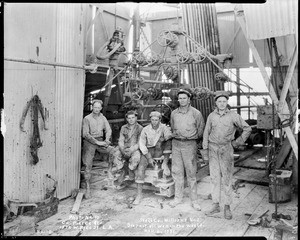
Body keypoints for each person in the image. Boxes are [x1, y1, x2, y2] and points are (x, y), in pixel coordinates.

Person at [202, 91, 251, 220]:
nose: (222, 104)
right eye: (219, 102)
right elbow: (206, 133)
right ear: (216, 103)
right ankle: (216, 204)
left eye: (224, 101)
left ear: (227, 102)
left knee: (227, 179)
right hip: (213, 149)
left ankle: (227, 207)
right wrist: (205, 149)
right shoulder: (211, 116)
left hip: (226, 149)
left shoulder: (233, 116)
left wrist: (238, 142)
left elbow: (247, 128)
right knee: (214, 178)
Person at [169, 89, 205, 211]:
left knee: (191, 173)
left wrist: (192, 139)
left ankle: (194, 200)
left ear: (189, 99)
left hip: (190, 145)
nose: (182, 100)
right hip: (176, 144)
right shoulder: (174, 113)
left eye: (185, 98)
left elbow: (200, 131)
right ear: (178, 100)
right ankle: (178, 198)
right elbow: (173, 127)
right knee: (177, 172)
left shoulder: (196, 113)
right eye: (180, 98)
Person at [133, 111, 172, 205]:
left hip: (160, 149)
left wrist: (163, 138)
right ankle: (139, 195)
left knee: (168, 142)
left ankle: (165, 164)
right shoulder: (146, 129)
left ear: (159, 120)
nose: (154, 122)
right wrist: (148, 157)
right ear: (150, 119)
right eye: (152, 120)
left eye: (156, 120)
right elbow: (141, 143)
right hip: (149, 150)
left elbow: (169, 137)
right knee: (141, 168)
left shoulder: (164, 127)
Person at [82, 99, 115, 198]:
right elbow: (85, 134)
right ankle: (87, 187)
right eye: (95, 107)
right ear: (92, 107)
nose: (96, 109)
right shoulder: (87, 118)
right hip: (90, 142)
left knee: (113, 151)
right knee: (88, 164)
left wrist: (107, 139)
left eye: (98, 107)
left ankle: (109, 171)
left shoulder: (103, 118)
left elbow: (108, 129)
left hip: (101, 140)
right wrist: (97, 142)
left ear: (101, 108)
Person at [111, 110, 143, 186]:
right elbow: (121, 140)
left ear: (136, 118)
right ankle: (122, 170)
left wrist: (131, 150)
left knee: (136, 158)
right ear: (126, 119)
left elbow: (140, 142)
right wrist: (122, 150)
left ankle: (130, 169)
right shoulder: (123, 127)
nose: (131, 120)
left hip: (134, 148)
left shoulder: (140, 128)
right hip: (124, 148)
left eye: (133, 117)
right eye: (129, 118)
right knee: (115, 155)